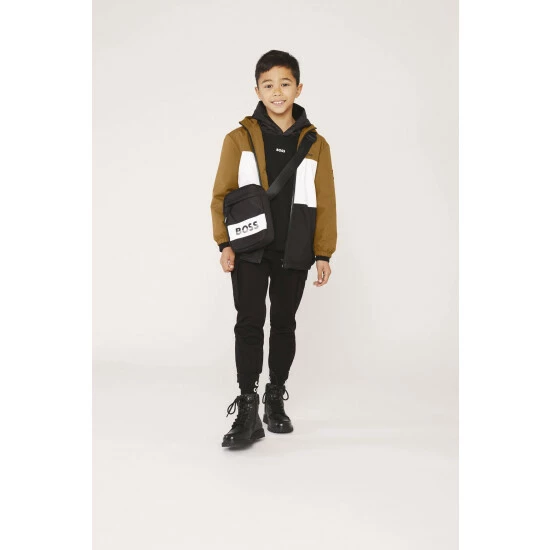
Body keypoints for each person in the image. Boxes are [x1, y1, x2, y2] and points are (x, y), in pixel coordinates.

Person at [210, 50, 337, 448]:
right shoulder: (238, 139)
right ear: (257, 91)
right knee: (249, 322)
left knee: (283, 323)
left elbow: (325, 200)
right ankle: (247, 407)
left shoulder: (316, 144)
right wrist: (224, 243)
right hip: (250, 247)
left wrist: (323, 252)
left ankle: (274, 397)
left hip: (295, 248)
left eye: (285, 84)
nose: (277, 92)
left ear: (298, 88)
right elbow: (222, 195)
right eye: (268, 85)